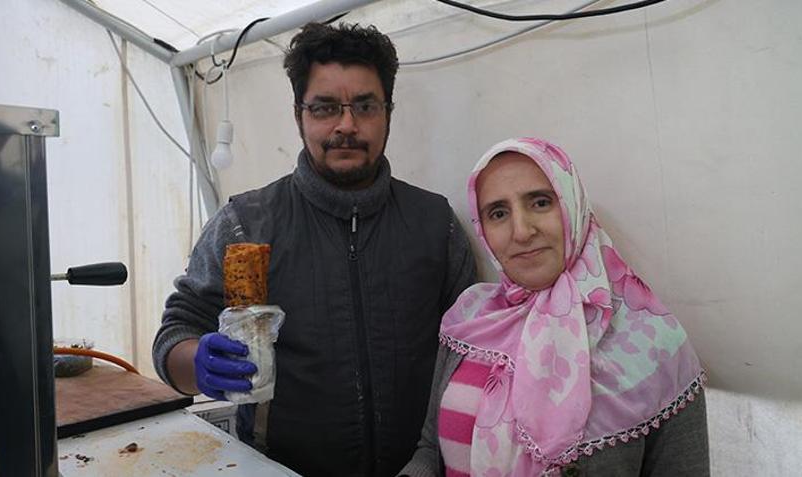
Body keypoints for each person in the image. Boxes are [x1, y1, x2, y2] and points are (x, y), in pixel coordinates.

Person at [152, 23, 476, 477]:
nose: (346, 125)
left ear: (388, 112)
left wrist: (431, 458)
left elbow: (473, 352)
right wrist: (196, 362)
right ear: (299, 114)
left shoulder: (435, 224)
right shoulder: (246, 223)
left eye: (365, 106)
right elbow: (174, 334)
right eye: (325, 108)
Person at [399, 138, 708, 477]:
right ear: (482, 228)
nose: (521, 231)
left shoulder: (653, 343)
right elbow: (430, 449)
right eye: (498, 213)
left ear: (572, 206)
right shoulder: (469, 318)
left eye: (541, 202)